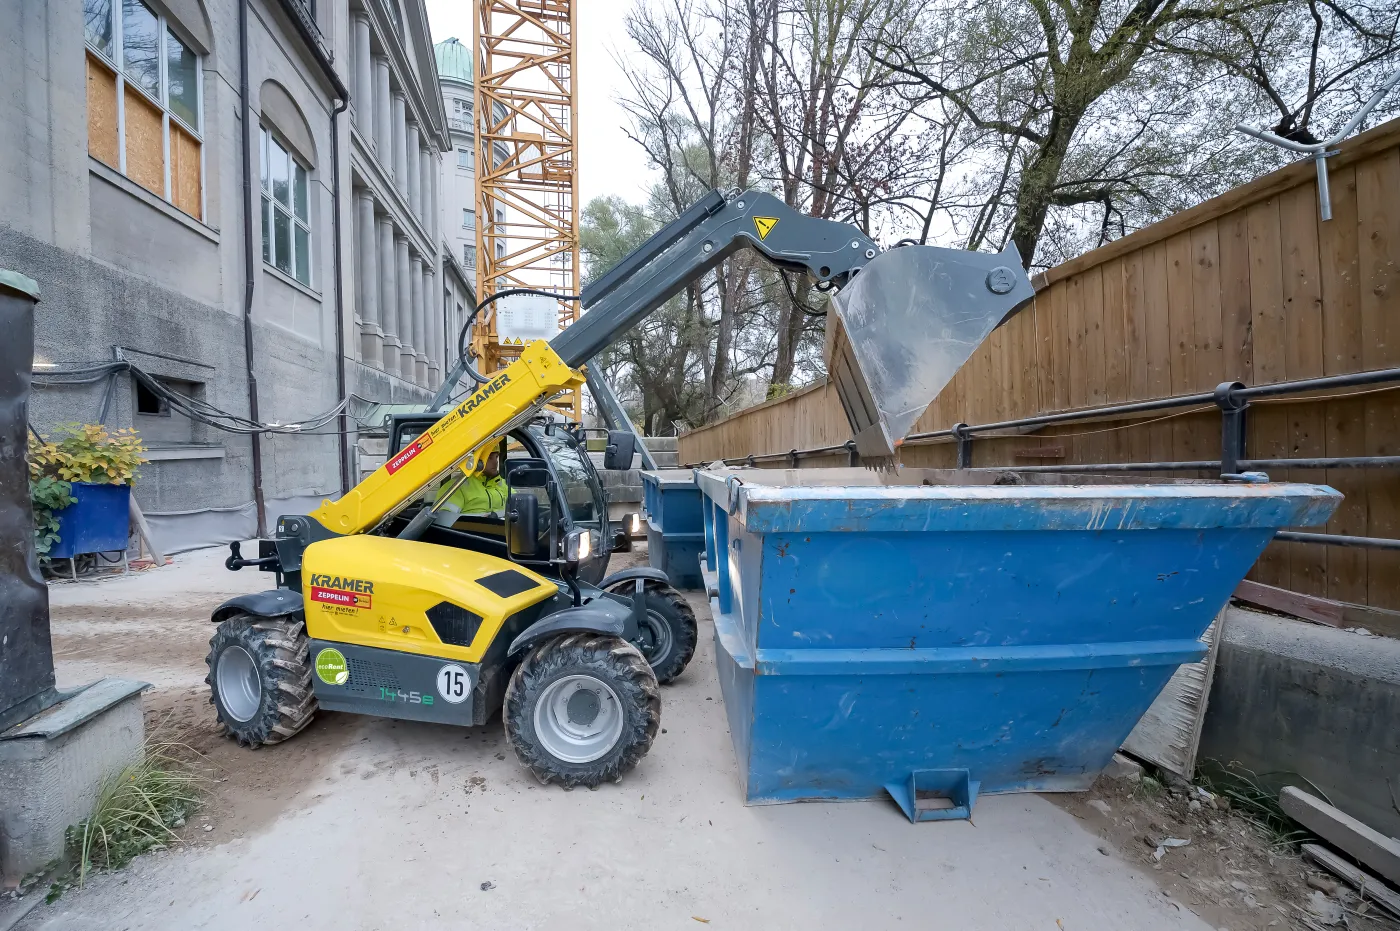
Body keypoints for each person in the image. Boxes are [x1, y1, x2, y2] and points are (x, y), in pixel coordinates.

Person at [433, 448, 508, 526]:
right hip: (468, 536)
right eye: (489, 457)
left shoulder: (502, 483)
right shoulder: (456, 486)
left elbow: (518, 507)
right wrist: (480, 521)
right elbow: (443, 520)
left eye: (496, 457)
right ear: (477, 459)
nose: (495, 462)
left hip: (500, 534)